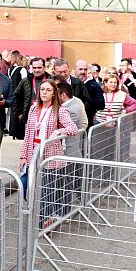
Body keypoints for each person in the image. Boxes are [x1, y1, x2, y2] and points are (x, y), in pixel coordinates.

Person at [19, 80, 79, 228]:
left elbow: (73, 128)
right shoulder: (34, 109)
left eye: (48, 90)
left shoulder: (60, 110)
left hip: (50, 156)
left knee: (47, 190)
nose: (44, 92)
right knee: (30, 188)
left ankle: (44, 221)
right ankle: (41, 217)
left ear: (54, 94)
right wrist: (23, 156)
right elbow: (28, 135)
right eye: (42, 89)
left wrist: (58, 131)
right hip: (33, 154)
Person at [11, 57, 48, 139]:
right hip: (29, 118)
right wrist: (19, 114)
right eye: (34, 68)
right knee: (30, 144)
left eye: (39, 67)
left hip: (47, 117)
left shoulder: (51, 80)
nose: (37, 70)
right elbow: (16, 96)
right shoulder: (26, 80)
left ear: (44, 68)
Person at [74, 59, 105, 127]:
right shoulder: (70, 83)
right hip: (71, 121)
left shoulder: (94, 85)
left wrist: (87, 101)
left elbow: (101, 104)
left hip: (87, 122)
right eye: (80, 69)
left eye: (85, 69)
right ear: (75, 70)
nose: (83, 72)